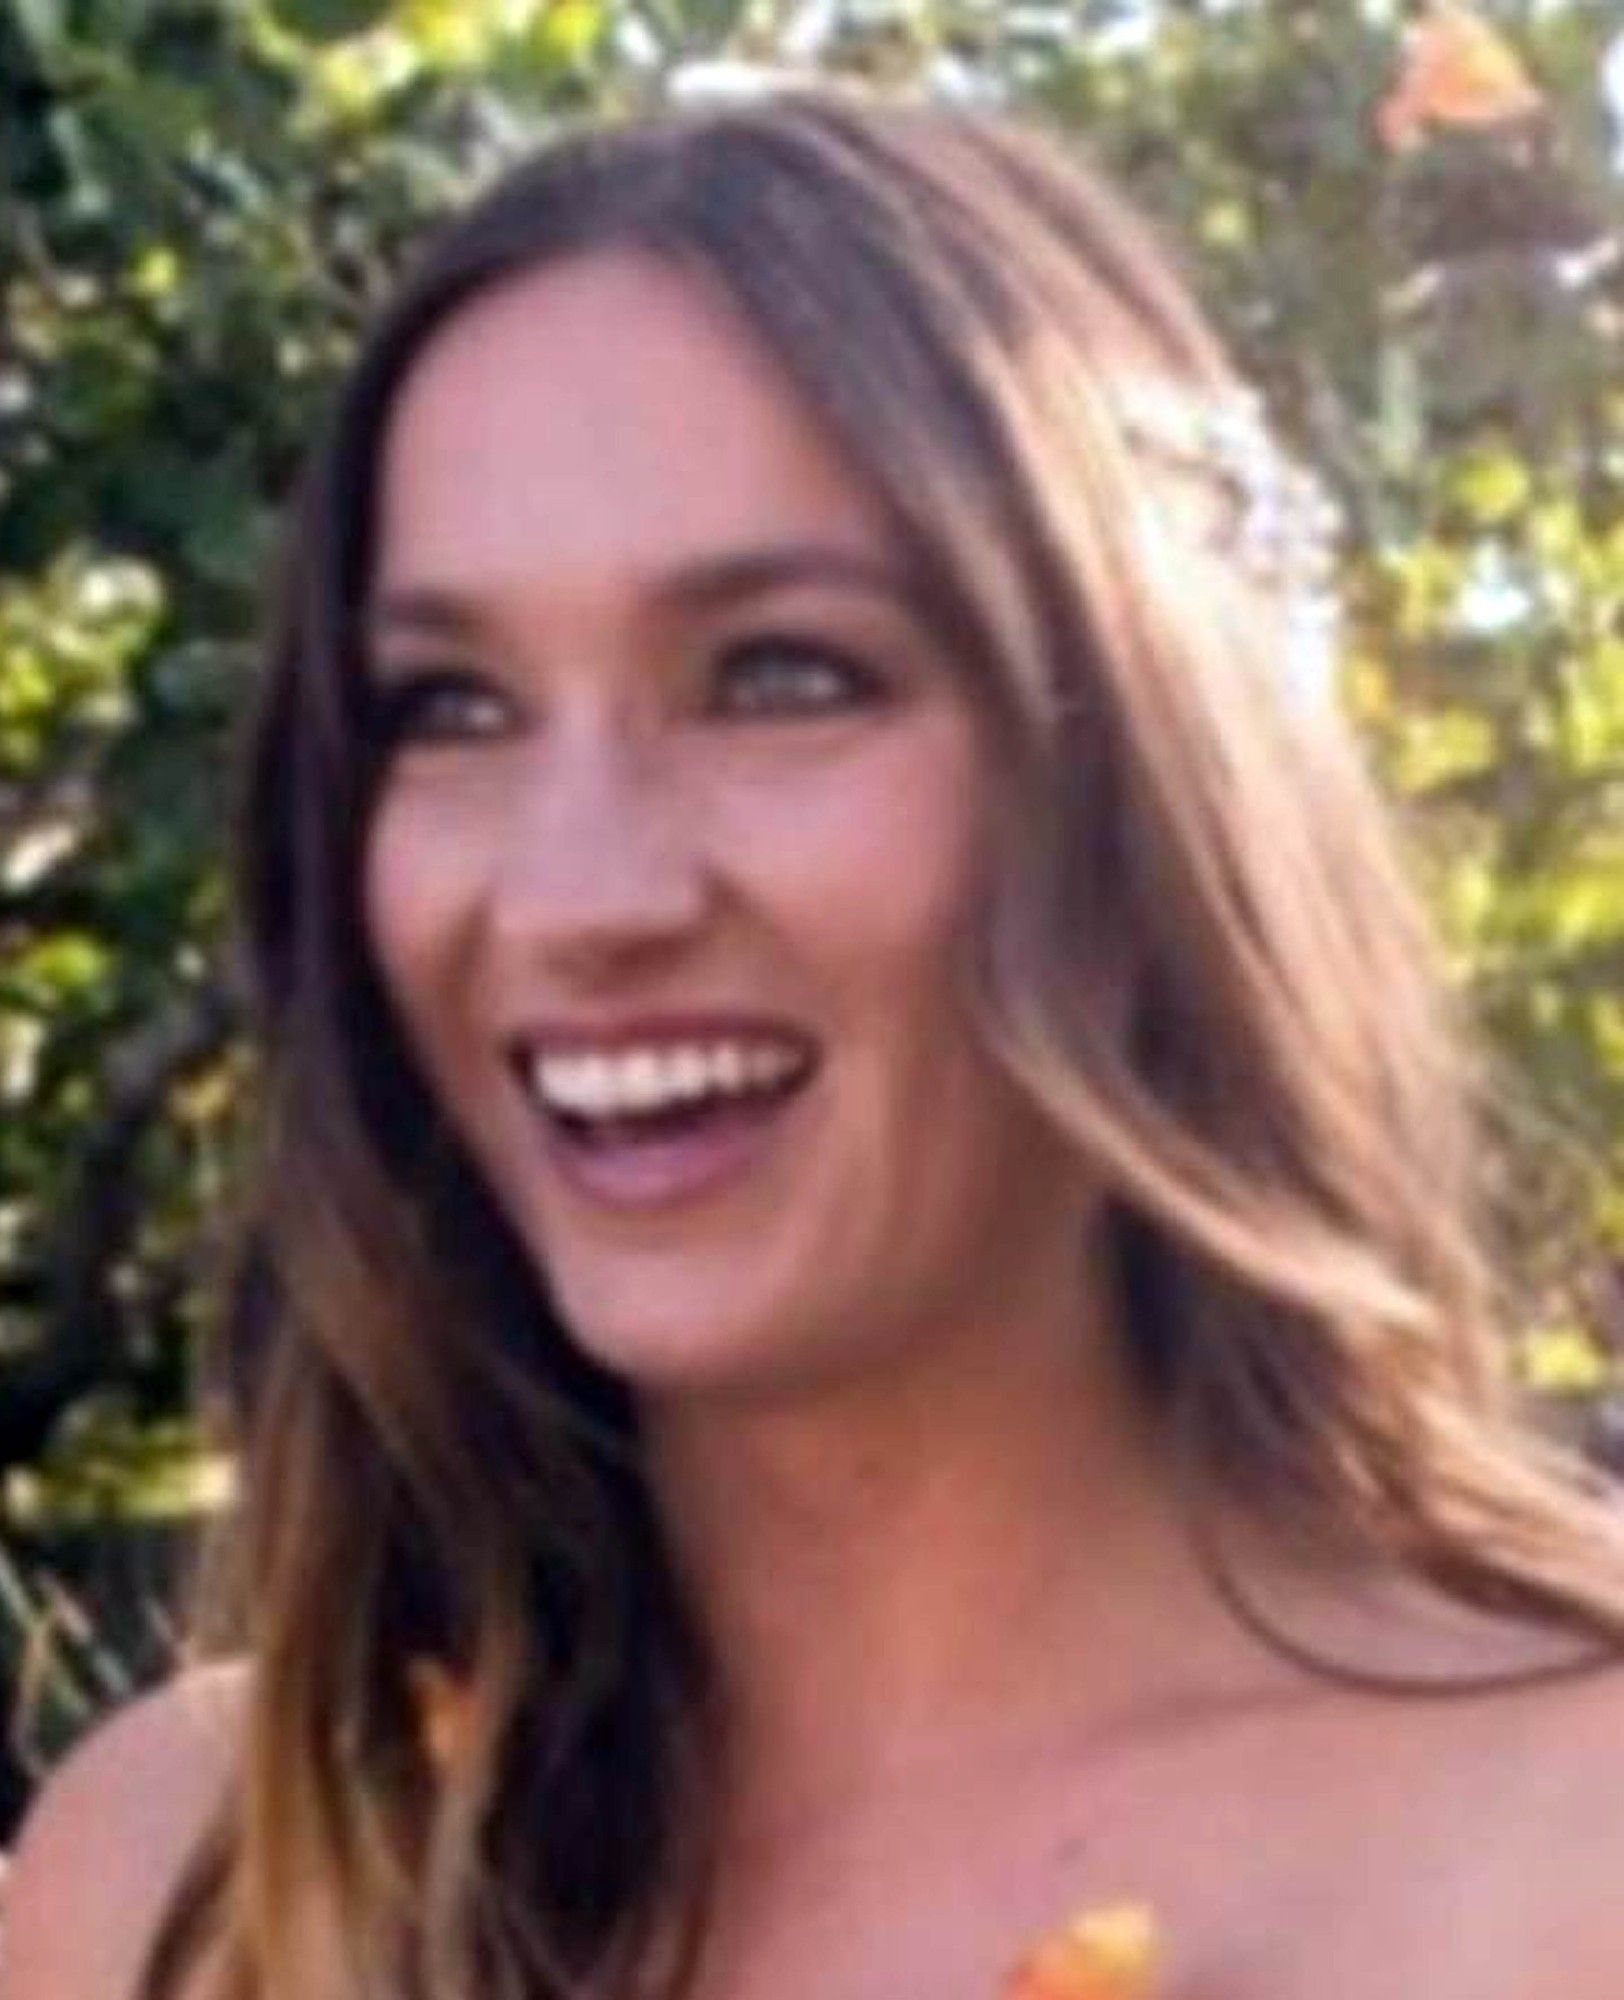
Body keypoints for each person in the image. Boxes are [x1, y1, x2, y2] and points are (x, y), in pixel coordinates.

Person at [6, 86, 1624, 2000]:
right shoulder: (195, 1882)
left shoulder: (1567, 1834)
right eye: (449, 707)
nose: (577, 897)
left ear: (1156, 774)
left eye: (780, 676)